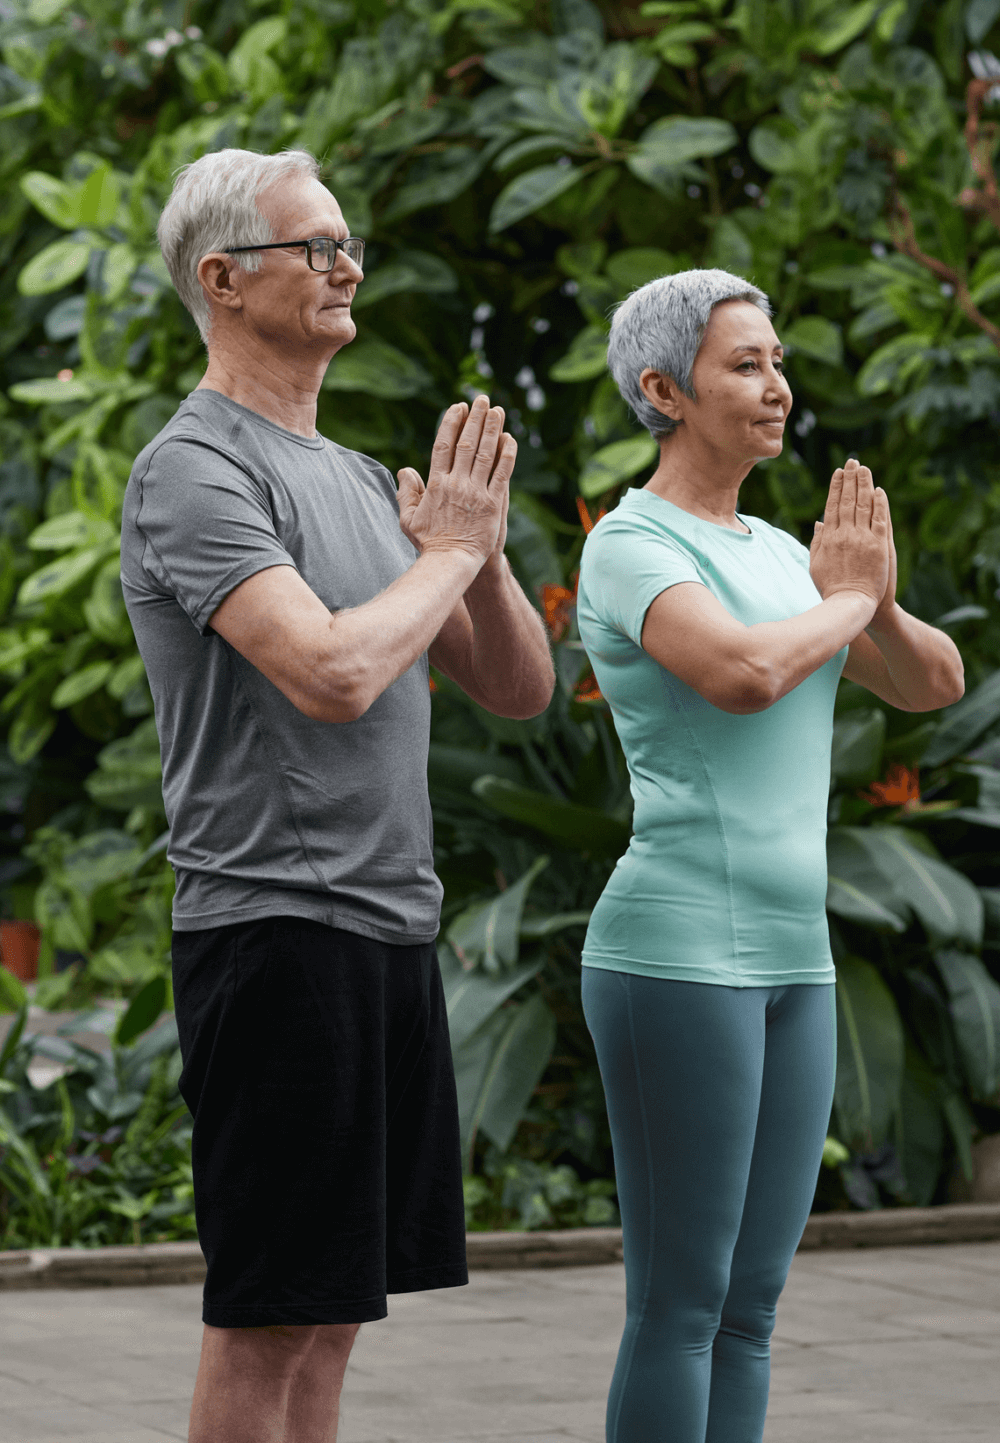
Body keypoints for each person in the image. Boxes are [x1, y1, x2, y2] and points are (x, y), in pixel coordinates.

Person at [119, 147, 555, 1443]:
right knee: (266, 1320)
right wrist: (455, 550)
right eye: (316, 247)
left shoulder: (365, 480)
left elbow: (518, 686)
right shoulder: (194, 470)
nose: (346, 264)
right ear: (223, 278)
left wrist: (471, 558)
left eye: (347, 242)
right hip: (274, 933)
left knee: (332, 1320)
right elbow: (330, 672)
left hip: (383, 929)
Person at [576, 268, 965, 1443]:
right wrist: (844, 605)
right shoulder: (632, 546)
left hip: (795, 963)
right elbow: (742, 676)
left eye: (777, 361)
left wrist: (872, 603)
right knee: (681, 1308)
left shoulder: (792, 555)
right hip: (675, 954)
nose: (777, 386)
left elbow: (931, 683)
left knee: (750, 1310)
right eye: (745, 365)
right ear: (663, 390)